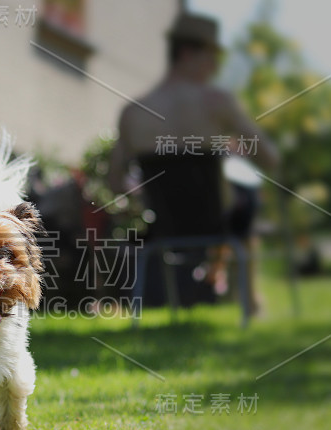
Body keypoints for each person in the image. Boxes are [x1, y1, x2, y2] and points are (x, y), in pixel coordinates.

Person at [107, 12, 279, 314]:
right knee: (246, 200)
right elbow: (270, 158)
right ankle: (248, 300)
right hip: (216, 222)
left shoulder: (132, 113)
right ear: (188, 53)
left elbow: (114, 183)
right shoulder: (217, 102)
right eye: (212, 57)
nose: (215, 67)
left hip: (163, 226)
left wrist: (140, 202)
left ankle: (210, 277)